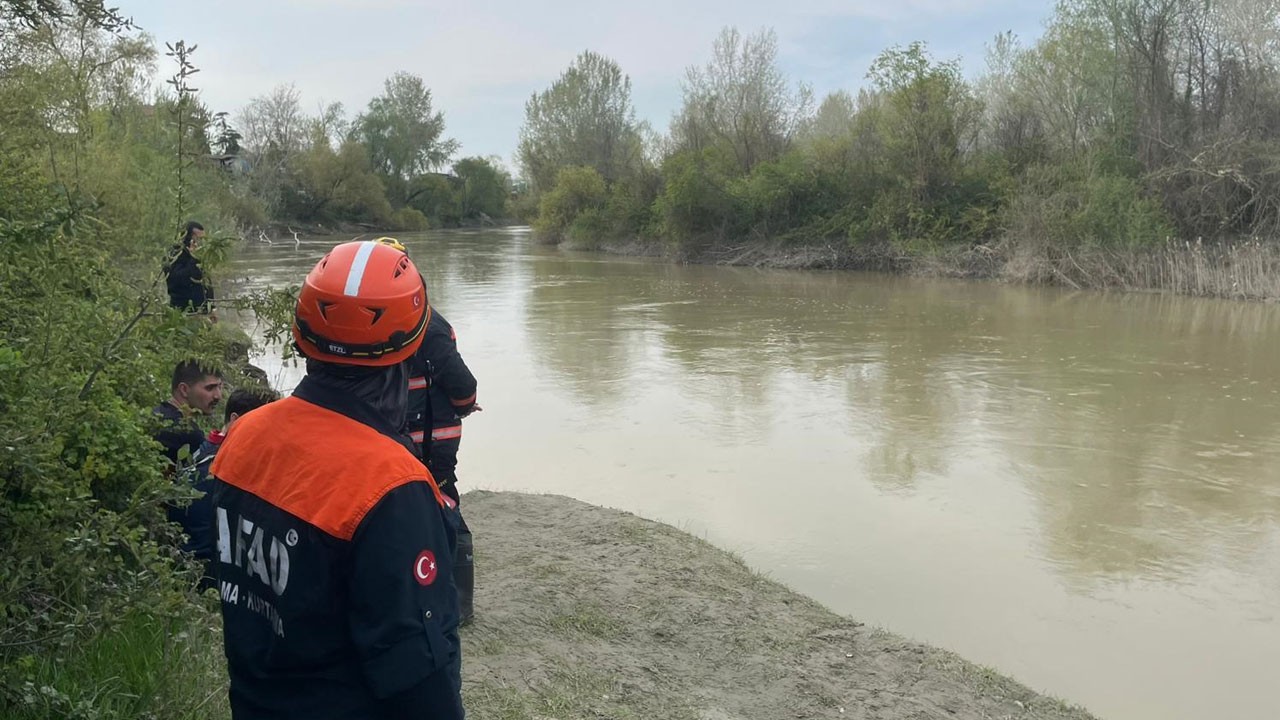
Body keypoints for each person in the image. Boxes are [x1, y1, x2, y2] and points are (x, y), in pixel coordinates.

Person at [210, 240, 465, 720]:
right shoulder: (392, 484)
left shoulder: (243, 436)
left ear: (300, 337)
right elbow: (418, 675)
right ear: (413, 349)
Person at [404, 288, 479, 625]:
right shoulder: (429, 323)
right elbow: (462, 385)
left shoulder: (424, 325)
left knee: (440, 507)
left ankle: (458, 604)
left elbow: (460, 383)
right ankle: (446, 600)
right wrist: (464, 405)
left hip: (426, 437)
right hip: (422, 436)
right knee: (435, 508)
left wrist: (464, 404)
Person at [171, 387, 280, 582]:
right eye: (264, 425)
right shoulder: (223, 469)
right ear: (235, 420)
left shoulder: (205, 450)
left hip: (186, 564)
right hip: (207, 575)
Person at [153, 359, 224, 465]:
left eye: (219, 387)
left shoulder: (156, 414)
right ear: (184, 390)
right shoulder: (187, 433)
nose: (218, 396)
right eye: (209, 388)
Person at [164, 220, 215, 316]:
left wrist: (211, 307)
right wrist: (193, 259)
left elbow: (206, 282)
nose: (201, 243)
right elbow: (176, 280)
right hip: (182, 311)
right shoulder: (174, 255)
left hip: (201, 310)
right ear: (188, 237)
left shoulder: (200, 255)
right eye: (198, 239)